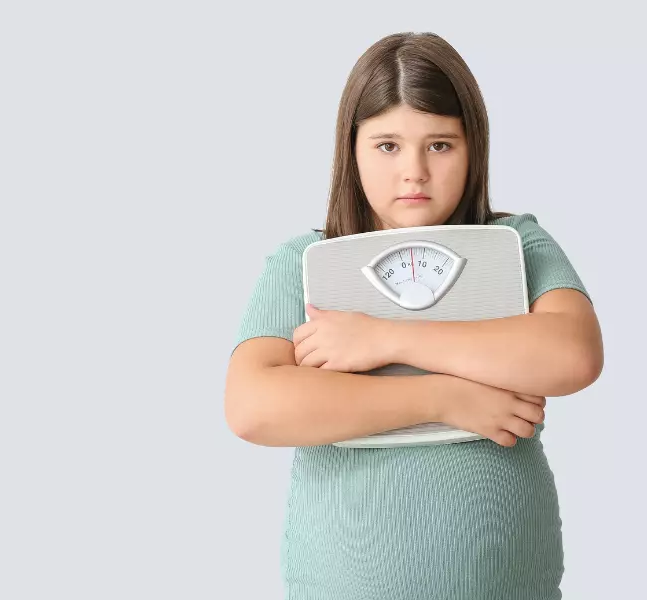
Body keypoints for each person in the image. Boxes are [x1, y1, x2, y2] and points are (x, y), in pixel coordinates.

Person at [224, 31, 604, 600]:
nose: (414, 173)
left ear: (474, 146)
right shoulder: (302, 264)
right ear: (350, 149)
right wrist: (444, 399)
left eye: (440, 145)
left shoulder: (516, 242)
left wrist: (387, 338)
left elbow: (572, 353)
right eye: (387, 145)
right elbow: (253, 407)